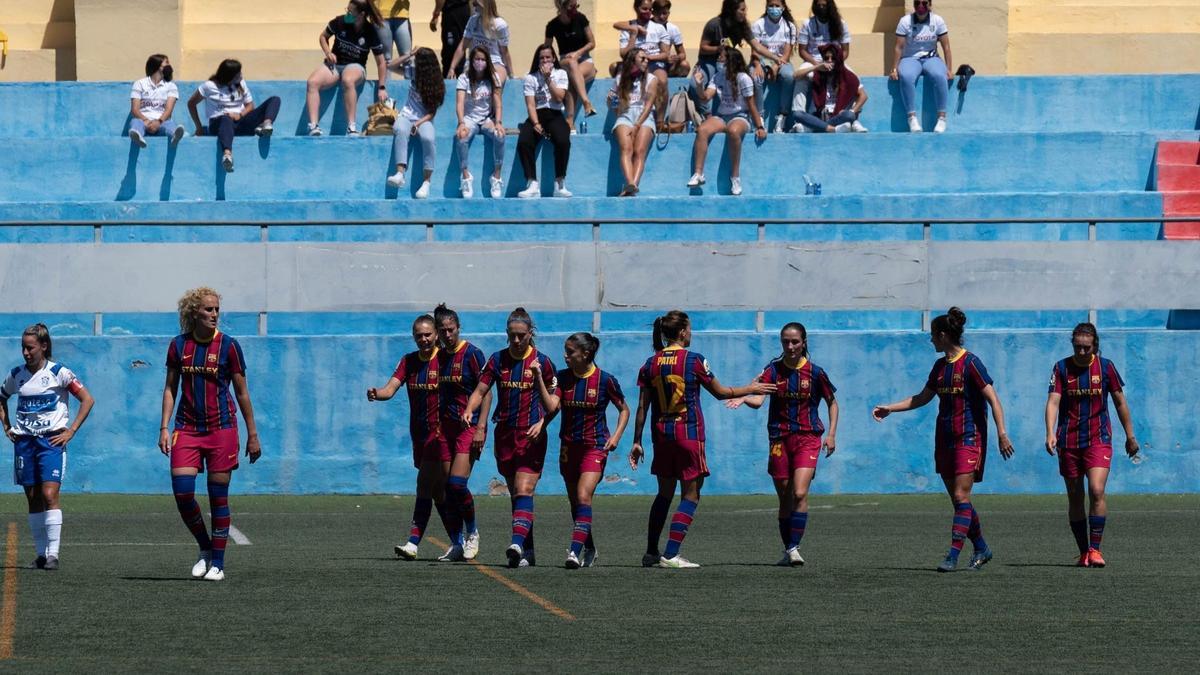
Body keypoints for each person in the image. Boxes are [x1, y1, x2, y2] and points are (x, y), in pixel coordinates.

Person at [629, 311, 775, 569]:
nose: (691, 333)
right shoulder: (694, 360)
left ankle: (651, 551)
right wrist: (751, 389)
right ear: (683, 332)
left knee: (664, 493)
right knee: (691, 495)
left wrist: (637, 440)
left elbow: (643, 406)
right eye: (690, 329)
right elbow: (720, 393)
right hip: (688, 433)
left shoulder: (649, 364)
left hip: (661, 435)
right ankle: (671, 554)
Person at [872, 307, 1014, 573]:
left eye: (933, 336)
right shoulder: (939, 366)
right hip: (944, 439)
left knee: (962, 496)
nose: (931, 341)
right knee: (959, 501)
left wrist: (1002, 433)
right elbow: (922, 398)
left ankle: (952, 555)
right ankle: (982, 547)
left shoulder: (971, 363)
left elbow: (993, 399)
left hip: (969, 437)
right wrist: (890, 408)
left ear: (944, 335)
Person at [158, 287, 262, 581]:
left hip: (222, 429)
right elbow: (170, 388)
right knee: (183, 493)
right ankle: (205, 547)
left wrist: (252, 434)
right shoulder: (178, 346)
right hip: (186, 429)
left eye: (216, 309)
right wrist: (164, 427)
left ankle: (218, 562)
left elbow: (241, 392)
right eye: (208, 310)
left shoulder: (229, 346)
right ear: (194, 313)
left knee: (218, 497)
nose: (214, 314)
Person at [726, 322, 838, 566]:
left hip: (808, 438)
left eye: (795, 341)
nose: (790, 346)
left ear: (804, 342)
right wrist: (744, 398)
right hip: (779, 439)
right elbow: (758, 399)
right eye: (785, 342)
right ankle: (788, 549)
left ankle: (794, 548)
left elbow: (832, 403)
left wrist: (831, 435)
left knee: (799, 492)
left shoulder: (816, 373)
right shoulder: (773, 371)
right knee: (785, 497)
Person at [462, 308, 557, 569]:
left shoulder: (543, 363)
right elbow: (481, 390)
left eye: (521, 336)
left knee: (524, 489)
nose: (516, 341)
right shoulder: (496, 360)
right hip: (504, 434)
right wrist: (470, 409)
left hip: (531, 436)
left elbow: (554, 404)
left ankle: (516, 544)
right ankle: (529, 551)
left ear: (530, 334)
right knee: (517, 494)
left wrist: (542, 423)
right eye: (512, 336)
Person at [0, 324, 95, 571]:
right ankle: (40, 555)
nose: (26, 352)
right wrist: (7, 425)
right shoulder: (16, 375)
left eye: (30, 347)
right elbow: (1, 398)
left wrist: (71, 430)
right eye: (23, 347)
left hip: (51, 442)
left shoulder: (59, 372)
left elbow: (87, 399)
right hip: (25, 444)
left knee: (49, 495)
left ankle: (53, 554)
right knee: (32, 499)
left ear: (43, 346)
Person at [1044, 323, 1139, 568]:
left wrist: (1130, 436)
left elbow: (1119, 403)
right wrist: (1050, 433)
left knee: (1096, 490)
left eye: (1087, 347)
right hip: (1069, 441)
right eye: (1078, 347)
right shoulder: (1061, 367)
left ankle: (1095, 550)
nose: (1082, 352)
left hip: (1099, 439)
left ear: (1094, 345)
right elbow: (1053, 402)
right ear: (1073, 345)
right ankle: (1084, 551)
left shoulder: (1106, 367)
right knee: (1075, 498)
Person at [533, 333, 630, 569]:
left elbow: (624, 410)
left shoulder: (605, 381)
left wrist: (616, 436)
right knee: (575, 501)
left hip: (594, 447)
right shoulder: (562, 378)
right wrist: (538, 381)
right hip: (569, 448)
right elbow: (552, 407)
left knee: (584, 495)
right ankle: (589, 547)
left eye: (570, 352)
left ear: (585, 354)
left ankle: (573, 552)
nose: (565, 356)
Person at [368, 315, 460, 560]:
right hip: (419, 435)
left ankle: (413, 542)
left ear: (436, 334)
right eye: (419, 335)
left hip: (441, 435)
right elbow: (391, 388)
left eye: (428, 334)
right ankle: (458, 541)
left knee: (424, 484)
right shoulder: (409, 361)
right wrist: (378, 393)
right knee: (438, 491)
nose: (424, 339)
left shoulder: (444, 360)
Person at [432, 304, 491, 561]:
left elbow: (486, 391)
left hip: (469, 428)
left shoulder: (472, 354)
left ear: (458, 328)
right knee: (444, 490)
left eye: (451, 330)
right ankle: (456, 543)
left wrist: (481, 427)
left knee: (457, 483)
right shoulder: (440, 356)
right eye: (442, 331)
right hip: (446, 428)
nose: (447, 335)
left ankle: (473, 532)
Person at [689, 46, 767, 196]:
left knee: (733, 131)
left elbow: (751, 105)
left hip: (741, 115)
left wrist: (760, 126)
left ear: (730, 60)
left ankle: (735, 177)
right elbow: (705, 97)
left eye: (721, 57)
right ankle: (698, 174)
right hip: (722, 116)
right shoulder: (717, 76)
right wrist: (699, 84)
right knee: (702, 130)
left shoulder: (743, 78)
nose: (718, 60)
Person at [305, 0, 389, 137]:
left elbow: (381, 62)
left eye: (350, 12)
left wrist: (382, 87)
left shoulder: (370, 31)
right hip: (335, 65)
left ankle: (351, 127)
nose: (347, 14)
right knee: (312, 82)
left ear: (361, 14)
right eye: (347, 10)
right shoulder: (340, 22)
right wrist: (328, 53)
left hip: (356, 67)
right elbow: (323, 37)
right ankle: (313, 126)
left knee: (348, 79)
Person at [187, 59, 282, 173]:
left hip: (240, 122)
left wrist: (240, 115)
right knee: (226, 118)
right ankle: (227, 155)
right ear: (228, 76)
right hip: (219, 124)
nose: (241, 76)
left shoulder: (240, 84)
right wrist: (198, 127)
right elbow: (191, 103)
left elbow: (250, 105)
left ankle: (266, 125)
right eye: (238, 74)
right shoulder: (209, 86)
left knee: (275, 100)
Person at [386, 47, 445, 198]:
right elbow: (391, 66)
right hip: (406, 114)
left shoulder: (437, 82)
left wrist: (418, 124)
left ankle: (426, 182)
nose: (414, 61)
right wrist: (409, 54)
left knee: (428, 138)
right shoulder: (413, 73)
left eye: (417, 59)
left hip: (424, 118)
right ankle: (400, 174)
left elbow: (432, 112)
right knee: (400, 129)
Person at [516, 44, 573, 199]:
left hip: (555, 114)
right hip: (537, 114)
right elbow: (530, 104)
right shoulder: (530, 77)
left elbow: (559, 97)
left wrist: (548, 79)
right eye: (542, 58)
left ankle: (559, 182)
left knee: (563, 141)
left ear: (554, 58)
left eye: (548, 57)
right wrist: (535, 123)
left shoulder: (561, 74)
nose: (545, 60)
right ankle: (532, 183)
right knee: (524, 141)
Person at [794, 0, 860, 131]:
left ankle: (853, 118)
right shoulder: (808, 24)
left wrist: (836, 63)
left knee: (851, 78)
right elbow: (802, 50)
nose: (821, 8)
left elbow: (845, 50)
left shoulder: (841, 24)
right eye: (819, 5)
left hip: (836, 61)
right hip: (813, 60)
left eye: (824, 5)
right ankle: (799, 114)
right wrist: (817, 64)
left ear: (830, 6)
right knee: (802, 75)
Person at [890, 0, 953, 133]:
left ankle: (942, 118)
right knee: (906, 76)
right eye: (917, 3)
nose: (920, 6)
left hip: (931, 57)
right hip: (910, 58)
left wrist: (949, 69)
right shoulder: (905, 21)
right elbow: (898, 47)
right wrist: (894, 69)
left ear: (930, 5)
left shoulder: (937, 20)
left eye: (924, 3)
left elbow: (946, 47)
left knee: (939, 75)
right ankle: (912, 118)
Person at [455, 45, 506, 199]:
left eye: (483, 59)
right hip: (469, 119)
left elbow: (498, 102)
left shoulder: (493, 78)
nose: (480, 62)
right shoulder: (464, 78)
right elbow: (459, 103)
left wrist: (498, 122)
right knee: (461, 137)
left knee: (500, 135)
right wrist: (461, 123)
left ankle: (496, 176)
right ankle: (465, 176)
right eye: (477, 59)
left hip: (487, 119)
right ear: (472, 61)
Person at [608, 49, 660, 196]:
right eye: (642, 58)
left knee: (639, 151)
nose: (646, 60)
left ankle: (631, 186)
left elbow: (649, 105)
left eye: (646, 58)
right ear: (633, 61)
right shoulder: (619, 79)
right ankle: (630, 183)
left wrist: (637, 125)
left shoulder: (651, 79)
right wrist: (610, 101)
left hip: (644, 116)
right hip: (625, 115)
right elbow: (614, 108)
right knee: (626, 148)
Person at [610, 0, 670, 124]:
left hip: (653, 63)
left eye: (650, 9)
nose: (648, 12)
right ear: (636, 9)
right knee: (615, 69)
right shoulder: (629, 28)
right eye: (644, 9)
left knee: (662, 81)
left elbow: (665, 53)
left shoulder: (658, 28)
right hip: (633, 64)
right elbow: (623, 54)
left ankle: (660, 121)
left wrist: (648, 58)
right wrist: (633, 34)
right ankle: (625, 115)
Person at [691, 0, 754, 118]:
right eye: (742, 10)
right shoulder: (714, 24)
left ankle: (751, 115)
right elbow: (703, 47)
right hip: (708, 60)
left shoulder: (742, 25)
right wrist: (719, 49)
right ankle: (707, 114)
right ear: (732, 10)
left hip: (728, 62)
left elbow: (756, 45)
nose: (745, 13)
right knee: (695, 85)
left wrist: (774, 59)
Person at [545, 0, 598, 133]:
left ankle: (569, 120)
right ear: (561, 7)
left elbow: (592, 43)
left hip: (585, 59)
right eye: (571, 7)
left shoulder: (581, 18)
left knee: (571, 80)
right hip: (565, 61)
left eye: (576, 6)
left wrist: (578, 53)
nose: (575, 9)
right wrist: (551, 66)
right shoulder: (553, 25)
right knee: (571, 63)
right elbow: (547, 48)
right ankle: (586, 103)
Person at [791, 43, 867, 132]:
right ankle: (832, 129)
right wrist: (817, 67)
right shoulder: (818, 73)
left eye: (833, 58)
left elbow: (863, 95)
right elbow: (795, 75)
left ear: (838, 59)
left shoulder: (846, 74)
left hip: (837, 116)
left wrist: (853, 111)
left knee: (849, 115)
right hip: (819, 116)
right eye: (826, 58)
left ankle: (816, 127)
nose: (829, 61)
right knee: (797, 114)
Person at [749, 0, 798, 134]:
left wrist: (775, 67)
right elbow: (754, 51)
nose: (774, 8)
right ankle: (759, 117)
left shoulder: (789, 26)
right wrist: (758, 65)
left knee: (789, 77)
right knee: (756, 78)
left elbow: (787, 53)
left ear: (783, 8)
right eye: (771, 6)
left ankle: (782, 116)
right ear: (766, 7)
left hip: (781, 61)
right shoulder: (758, 24)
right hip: (760, 60)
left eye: (777, 6)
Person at [448, 0, 514, 88]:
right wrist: (452, 68)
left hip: (494, 61)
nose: (474, 6)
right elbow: (462, 46)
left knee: (496, 83)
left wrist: (511, 74)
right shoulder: (473, 21)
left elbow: (504, 52)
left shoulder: (500, 25)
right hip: (474, 60)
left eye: (476, 4)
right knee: (465, 81)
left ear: (485, 6)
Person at [129, 53, 185, 147]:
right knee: (135, 123)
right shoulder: (140, 83)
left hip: (161, 122)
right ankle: (138, 137)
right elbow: (135, 109)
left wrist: (158, 122)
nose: (169, 66)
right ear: (157, 65)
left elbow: (169, 110)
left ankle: (174, 136)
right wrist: (146, 120)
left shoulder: (171, 86)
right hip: (143, 121)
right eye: (166, 62)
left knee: (169, 124)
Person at [431, 0, 471, 78]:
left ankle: (450, 80)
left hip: (452, 12)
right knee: (460, 46)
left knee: (450, 52)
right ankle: (460, 78)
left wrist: (436, 14)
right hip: (464, 10)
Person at [652, 1, 690, 77]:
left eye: (664, 13)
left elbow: (682, 53)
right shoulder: (647, 27)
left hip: (667, 64)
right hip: (651, 62)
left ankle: (676, 87)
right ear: (653, 13)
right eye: (658, 13)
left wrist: (676, 58)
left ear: (669, 13)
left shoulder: (673, 29)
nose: (661, 16)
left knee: (685, 65)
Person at [374, 0, 413, 67]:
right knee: (386, 59)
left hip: (402, 15)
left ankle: (409, 77)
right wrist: (374, 12)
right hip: (381, 14)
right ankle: (387, 77)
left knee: (407, 57)